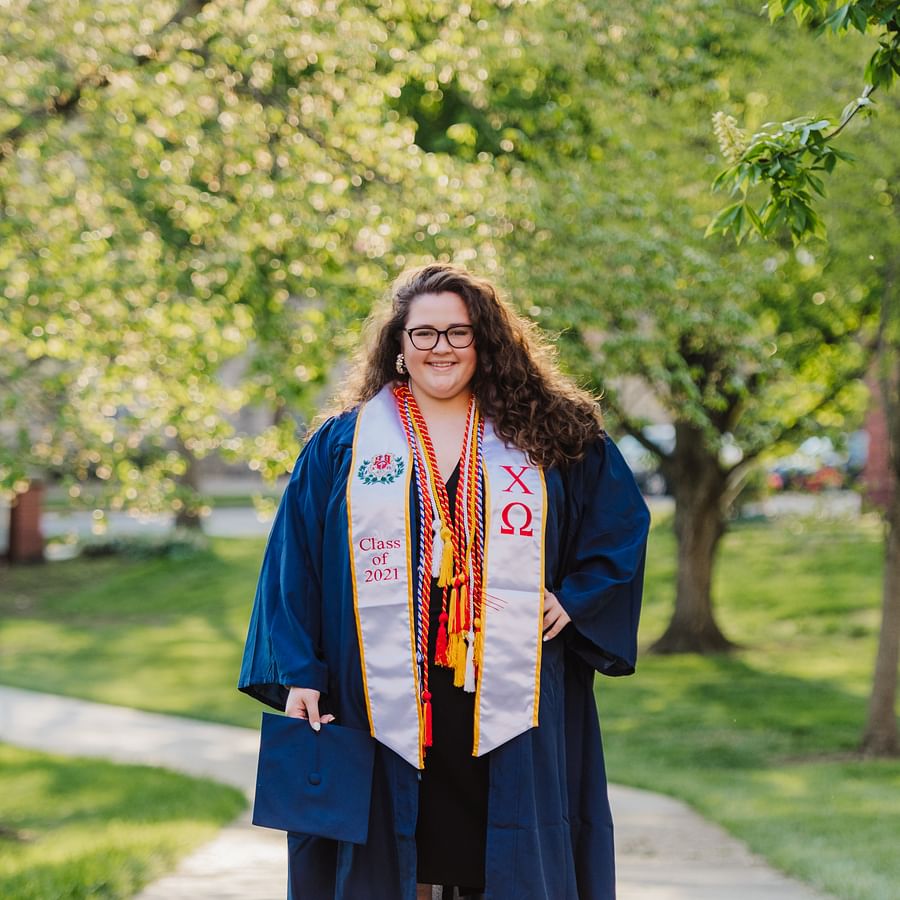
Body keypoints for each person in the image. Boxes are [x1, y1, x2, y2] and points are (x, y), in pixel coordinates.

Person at [239, 262, 651, 900]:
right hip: (376, 688)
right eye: (424, 333)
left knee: (497, 845)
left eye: (459, 333)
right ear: (399, 346)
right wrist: (300, 672)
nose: (442, 348)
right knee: (396, 848)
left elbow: (619, 527)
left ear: (486, 343)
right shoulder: (345, 445)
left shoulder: (549, 436)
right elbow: (294, 564)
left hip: (512, 686)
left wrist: (576, 601)